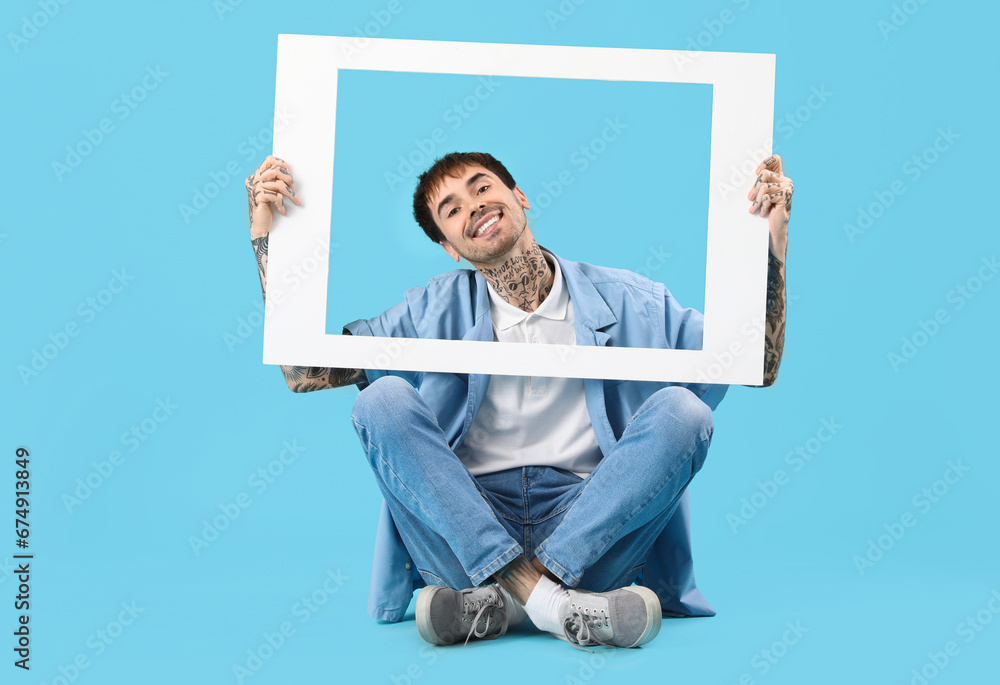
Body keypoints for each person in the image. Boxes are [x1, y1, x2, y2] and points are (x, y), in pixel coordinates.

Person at [245, 151, 793, 649]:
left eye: (483, 187)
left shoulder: (632, 300)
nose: (474, 206)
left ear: (519, 196)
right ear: (448, 246)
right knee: (382, 400)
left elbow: (757, 364)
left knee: (685, 412)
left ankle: (502, 606)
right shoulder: (430, 308)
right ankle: (551, 605)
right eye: (451, 209)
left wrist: (770, 247)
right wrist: (268, 236)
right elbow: (303, 370)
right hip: (464, 530)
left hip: (590, 529)